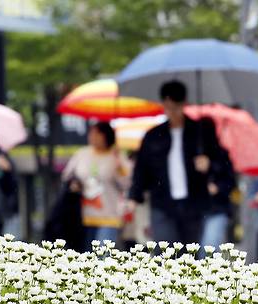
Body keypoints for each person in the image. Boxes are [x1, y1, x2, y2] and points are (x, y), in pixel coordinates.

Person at [127, 80, 215, 244]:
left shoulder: (200, 132)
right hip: (162, 202)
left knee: (190, 252)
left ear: (184, 104)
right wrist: (134, 196)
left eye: (176, 107)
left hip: (194, 203)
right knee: (166, 250)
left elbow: (220, 161)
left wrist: (207, 164)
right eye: (168, 107)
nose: (172, 112)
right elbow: (141, 169)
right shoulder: (153, 136)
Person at [63, 122, 130, 250]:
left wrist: (120, 165)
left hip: (108, 215)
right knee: (85, 256)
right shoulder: (82, 154)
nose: (93, 137)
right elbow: (67, 175)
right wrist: (74, 184)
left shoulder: (116, 156)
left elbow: (127, 183)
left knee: (102, 255)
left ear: (106, 136)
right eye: (91, 133)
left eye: (97, 133)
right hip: (82, 216)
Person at [199, 117, 236, 249]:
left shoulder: (221, 155)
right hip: (196, 209)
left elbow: (230, 182)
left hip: (217, 208)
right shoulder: (192, 153)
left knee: (209, 247)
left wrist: (217, 187)